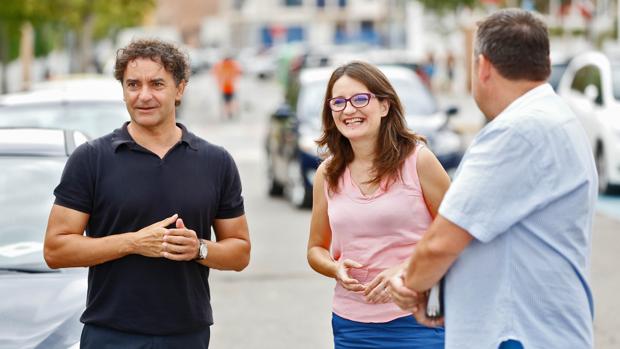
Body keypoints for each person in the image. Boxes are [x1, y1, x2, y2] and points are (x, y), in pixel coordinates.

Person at [388, 9, 597, 349]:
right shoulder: (555, 118)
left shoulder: (517, 131)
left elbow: (443, 240)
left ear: (483, 66)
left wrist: (411, 284)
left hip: (516, 335)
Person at [43, 39, 251, 348]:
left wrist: (199, 249)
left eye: (156, 84)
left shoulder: (215, 161)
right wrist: (134, 243)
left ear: (180, 89)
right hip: (110, 334)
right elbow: (55, 250)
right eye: (133, 84)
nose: (144, 96)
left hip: (187, 335)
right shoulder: (91, 159)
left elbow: (240, 251)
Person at [307, 61, 450, 348]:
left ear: (385, 106)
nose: (348, 110)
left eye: (360, 99)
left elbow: (456, 237)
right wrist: (335, 268)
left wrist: (406, 269)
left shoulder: (418, 161)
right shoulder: (328, 173)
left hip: (418, 318)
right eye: (338, 102)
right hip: (351, 325)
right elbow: (315, 249)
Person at [212, 55, 242, 120]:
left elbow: (215, 73)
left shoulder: (223, 66)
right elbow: (239, 72)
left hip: (227, 87)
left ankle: (228, 113)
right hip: (228, 87)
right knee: (229, 101)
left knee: (227, 101)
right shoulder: (231, 65)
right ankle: (229, 113)